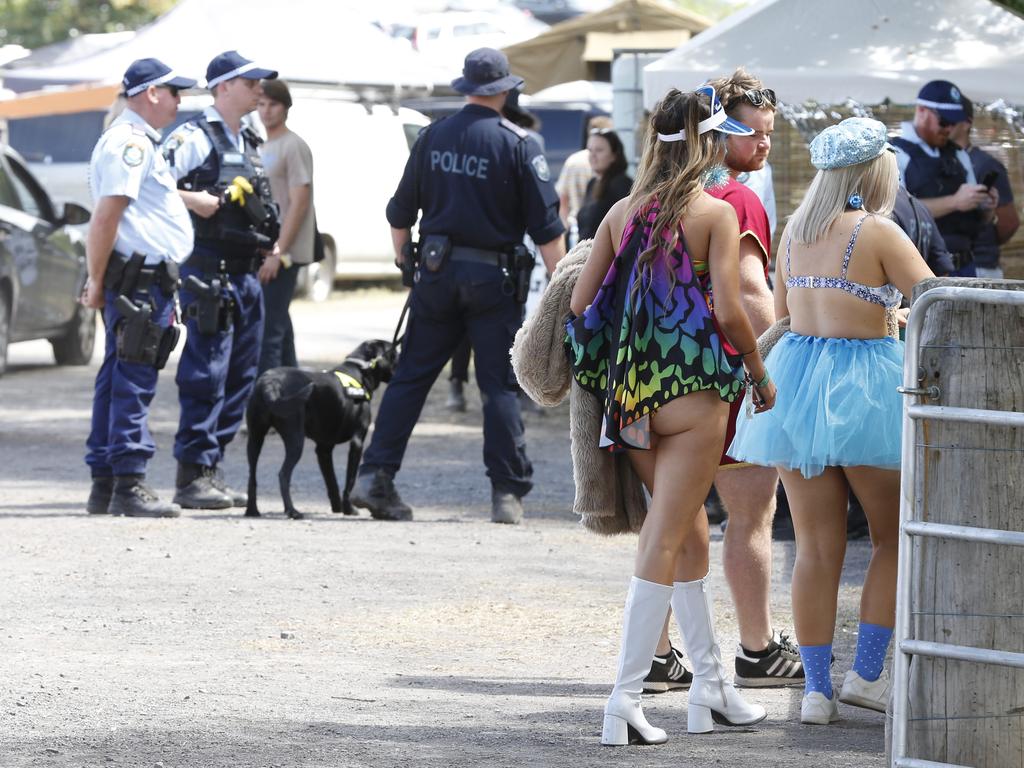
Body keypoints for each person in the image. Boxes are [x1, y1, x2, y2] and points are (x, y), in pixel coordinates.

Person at [567, 85, 774, 745]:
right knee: (667, 537)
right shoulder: (713, 213)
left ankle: (711, 690)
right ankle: (623, 702)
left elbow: (578, 305)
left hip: (629, 400)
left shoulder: (621, 211)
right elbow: (730, 308)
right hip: (694, 394)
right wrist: (758, 373)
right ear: (709, 141)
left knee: (686, 535)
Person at [730, 118, 935, 725]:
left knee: (817, 546)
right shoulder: (879, 231)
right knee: (894, 536)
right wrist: (890, 319)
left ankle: (816, 691)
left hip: (797, 383)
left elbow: (788, 316)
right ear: (876, 170)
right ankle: (867, 676)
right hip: (868, 387)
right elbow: (939, 302)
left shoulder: (794, 231)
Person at [350, 48, 565, 524]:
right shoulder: (519, 144)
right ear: (506, 91)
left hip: (436, 275)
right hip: (494, 283)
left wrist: (407, 261)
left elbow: (399, 213)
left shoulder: (432, 136)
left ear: (467, 88)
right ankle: (506, 494)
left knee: (409, 378)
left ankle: (374, 477)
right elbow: (549, 231)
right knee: (498, 387)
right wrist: (566, 294)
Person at [676, 68, 802, 690]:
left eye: (770, 135)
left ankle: (656, 654)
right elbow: (751, 298)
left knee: (671, 521)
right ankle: (757, 650)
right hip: (727, 377)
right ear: (720, 132)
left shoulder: (655, 193)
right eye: (754, 135)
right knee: (751, 515)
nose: (764, 148)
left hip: (655, 380)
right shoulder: (736, 199)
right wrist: (773, 364)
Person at [162, 50, 280, 510]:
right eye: (251, 83)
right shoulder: (193, 137)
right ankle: (191, 474)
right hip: (208, 273)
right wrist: (194, 201)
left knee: (240, 377)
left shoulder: (249, 137)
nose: (259, 90)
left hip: (247, 274)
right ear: (224, 87)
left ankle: (211, 468)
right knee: (205, 374)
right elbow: (151, 189)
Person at [83, 58, 198, 519]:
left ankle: (108, 484)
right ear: (151, 93)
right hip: (140, 281)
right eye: (174, 93)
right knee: (132, 378)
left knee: (118, 377)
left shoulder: (135, 142)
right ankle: (128, 483)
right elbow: (107, 216)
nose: (179, 102)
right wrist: (95, 280)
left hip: (141, 278)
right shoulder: (130, 144)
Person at [446, 86, 546, 413]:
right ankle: (500, 388)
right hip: (504, 251)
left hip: (473, 251)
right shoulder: (520, 140)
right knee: (505, 326)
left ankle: (464, 385)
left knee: (467, 326)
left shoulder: (511, 139)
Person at [890, 80, 998, 277]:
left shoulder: (959, 155)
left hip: (965, 266)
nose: (949, 128)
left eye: (954, 122)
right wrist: (955, 202)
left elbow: (979, 220)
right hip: (919, 270)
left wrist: (986, 206)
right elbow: (894, 213)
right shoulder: (895, 154)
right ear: (922, 110)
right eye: (944, 121)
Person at [256, 78, 315, 373]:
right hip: (267, 247)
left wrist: (280, 251)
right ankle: (297, 392)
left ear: (286, 107)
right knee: (279, 323)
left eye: (273, 104)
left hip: (285, 250)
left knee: (269, 332)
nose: (266, 111)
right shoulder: (263, 145)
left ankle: (266, 397)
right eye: (261, 104)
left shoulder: (293, 146)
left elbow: (299, 202)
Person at [948, 97, 1020, 279]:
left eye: (950, 117)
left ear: (966, 123)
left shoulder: (986, 165)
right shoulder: (937, 161)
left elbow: (1009, 222)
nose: (943, 123)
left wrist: (983, 244)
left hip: (980, 268)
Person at [555, 115, 612, 239]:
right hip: (604, 229)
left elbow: (562, 199)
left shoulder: (573, 161)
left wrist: (564, 230)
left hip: (575, 228)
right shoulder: (607, 162)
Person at [575, 128, 631, 241]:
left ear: (614, 155)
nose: (592, 155)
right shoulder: (592, 183)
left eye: (599, 150)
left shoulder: (621, 183)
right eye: (590, 150)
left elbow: (627, 227)